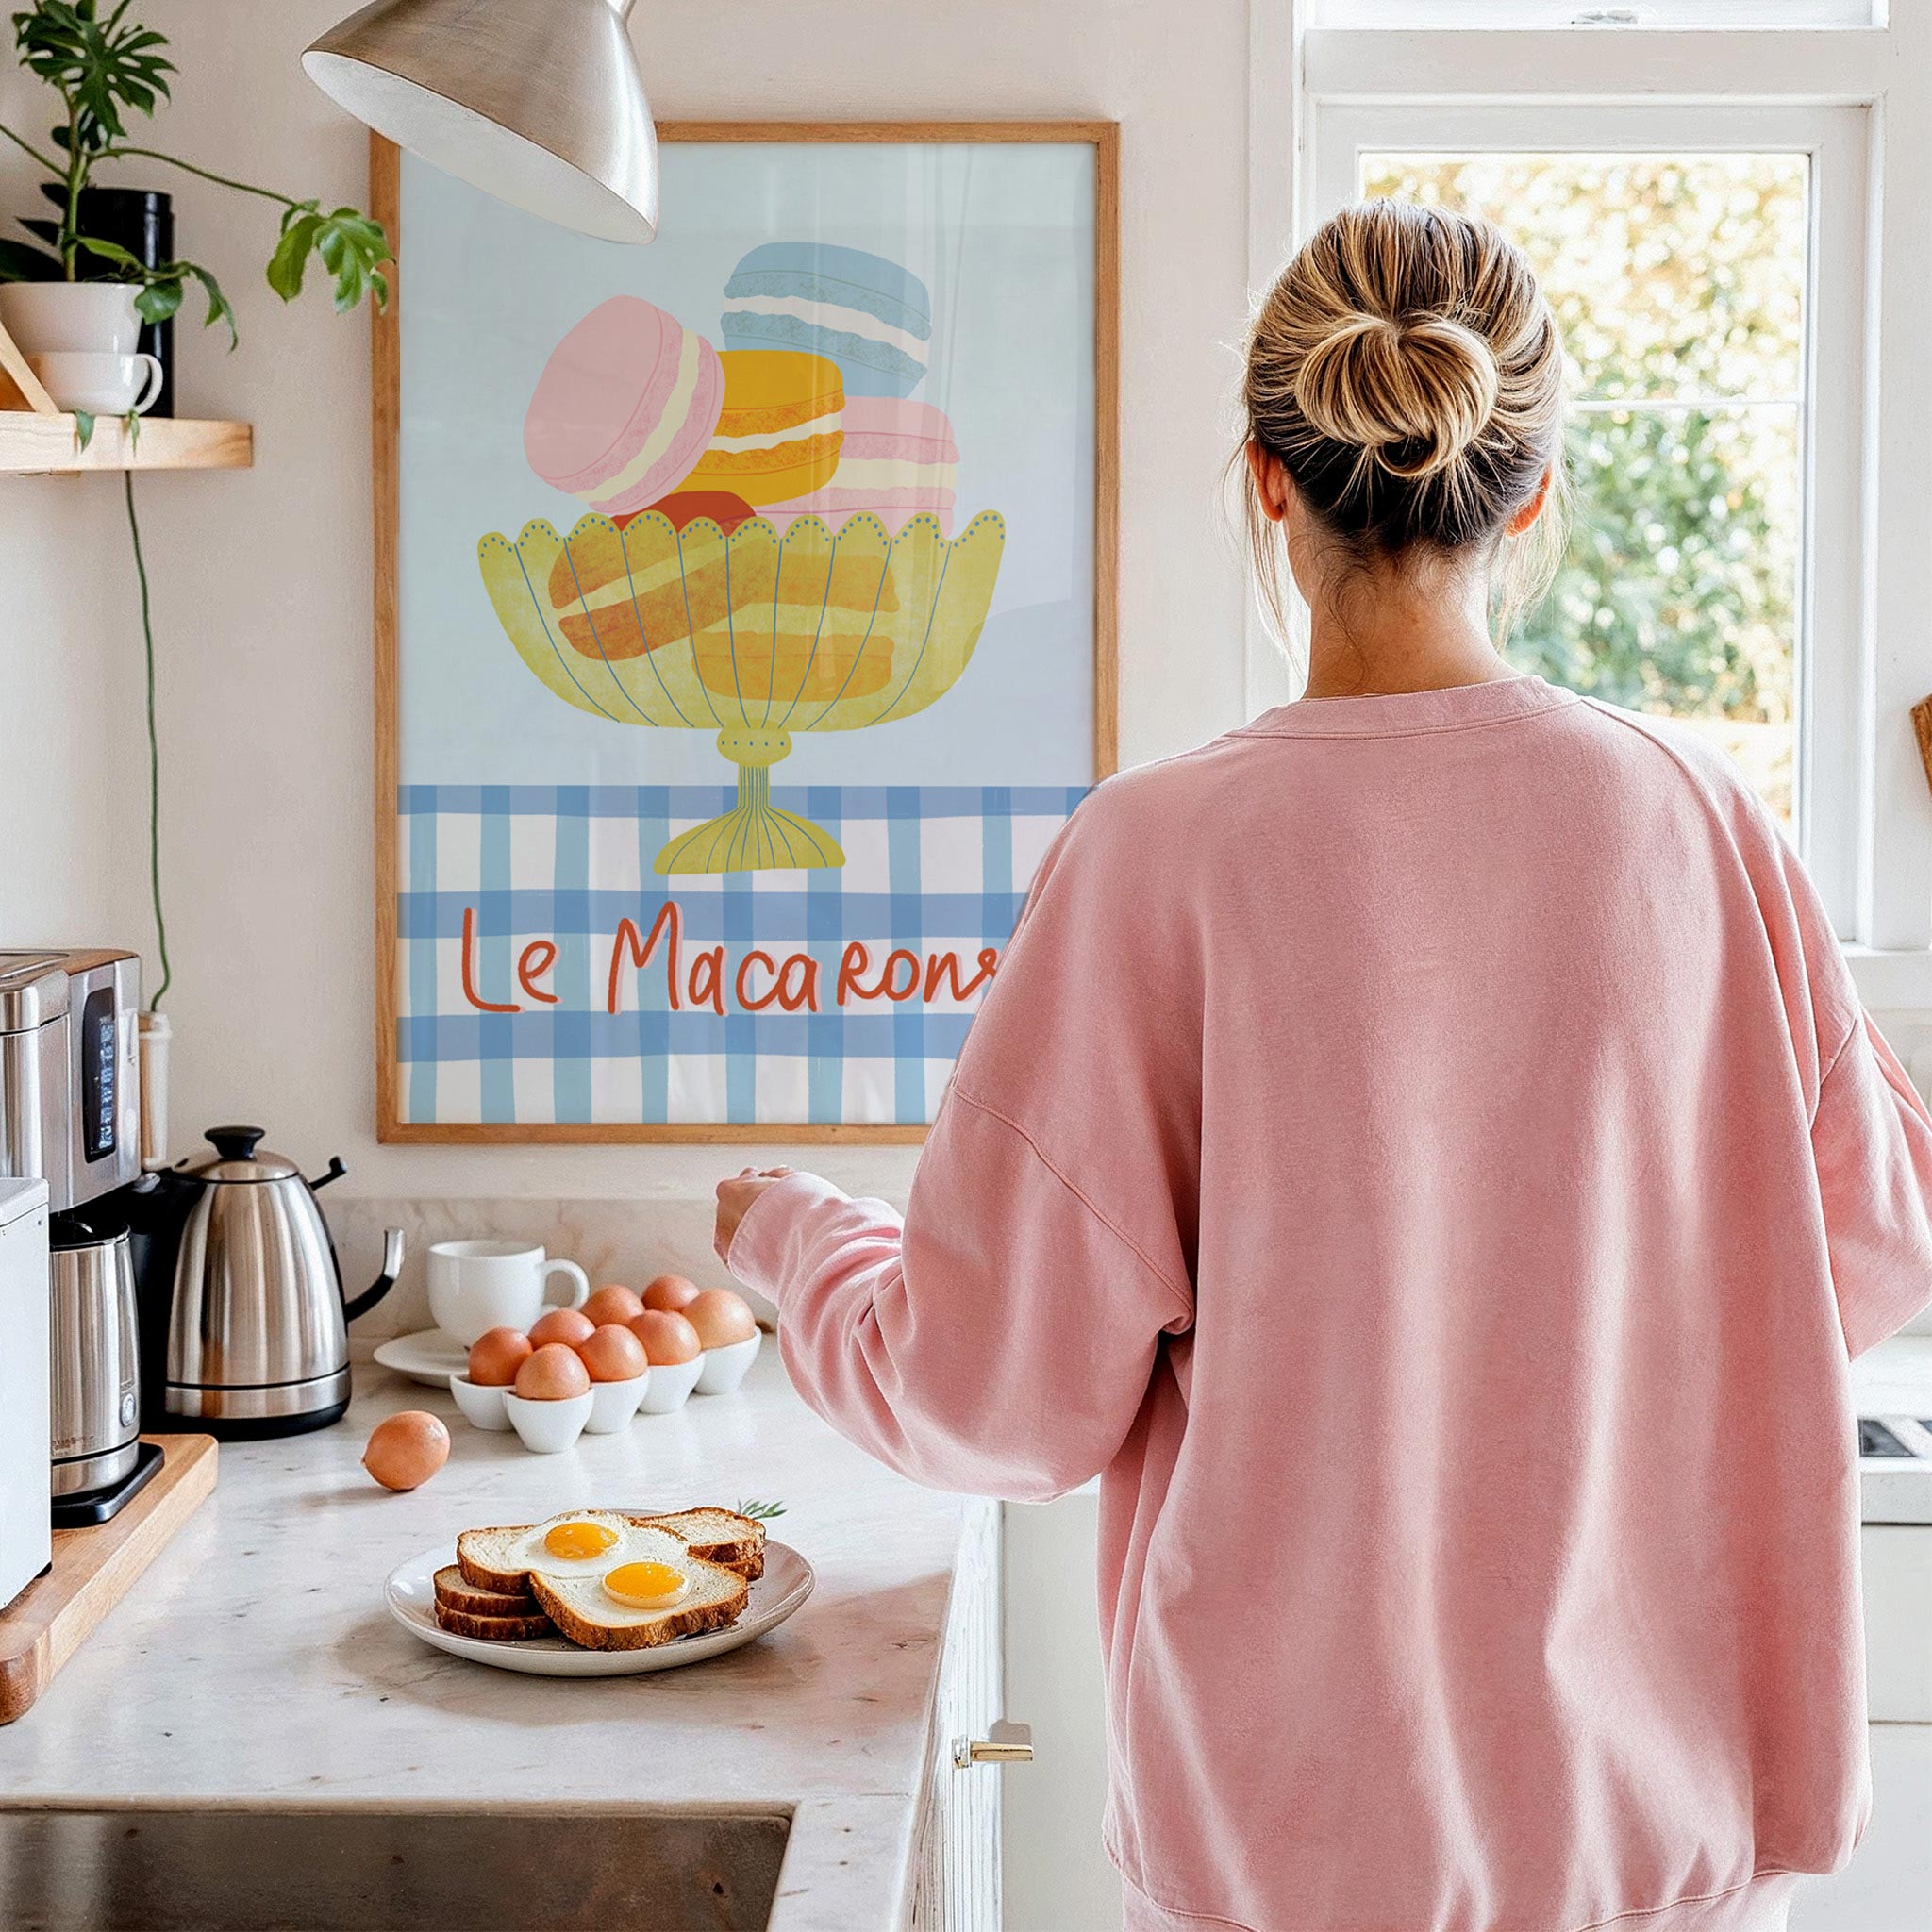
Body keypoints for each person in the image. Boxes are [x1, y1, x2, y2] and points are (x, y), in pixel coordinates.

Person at [712, 200, 1932, 1932]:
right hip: (1671, 1865)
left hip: (1294, 1866)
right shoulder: (1704, 824)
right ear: (1529, 495)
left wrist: (794, 1243)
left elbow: (997, 1395)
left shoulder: (1158, 856)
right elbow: (1865, 1254)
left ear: (1269, 485)